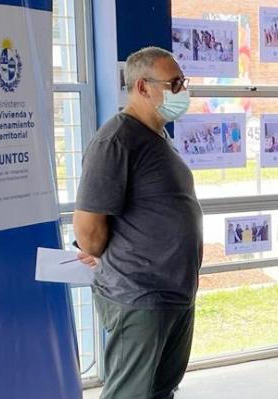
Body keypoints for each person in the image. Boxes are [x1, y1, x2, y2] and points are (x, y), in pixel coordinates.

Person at [73, 46, 201, 399]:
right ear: (143, 87)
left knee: (161, 391)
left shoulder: (159, 135)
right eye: (174, 83)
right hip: (139, 296)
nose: (182, 91)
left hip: (174, 293)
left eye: (183, 82)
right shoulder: (116, 140)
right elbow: (88, 230)